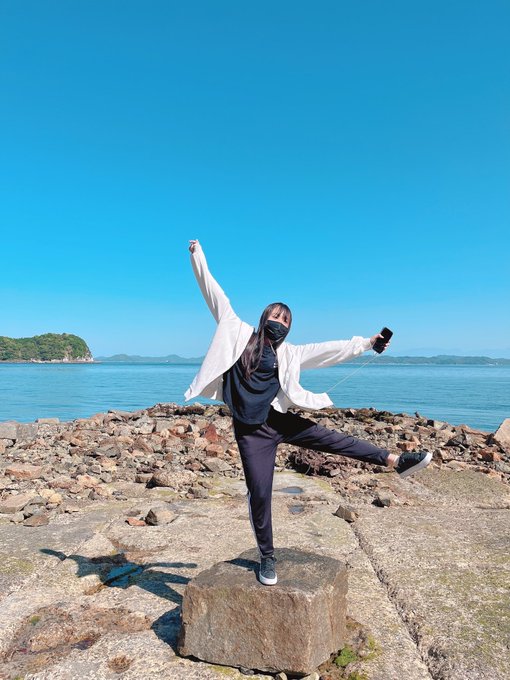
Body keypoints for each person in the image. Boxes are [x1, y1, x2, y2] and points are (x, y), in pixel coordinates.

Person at [185, 239, 432, 586]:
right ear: (263, 317)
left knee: (335, 440)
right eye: (275, 316)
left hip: (278, 421)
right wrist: (198, 255)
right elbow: (213, 291)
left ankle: (396, 460)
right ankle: (267, 557)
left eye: (286, 320)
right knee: (260, 494)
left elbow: (328, 350)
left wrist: (366, 343)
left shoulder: (289, 353)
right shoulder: (236, 332)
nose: (280, 322)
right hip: (251, 434)